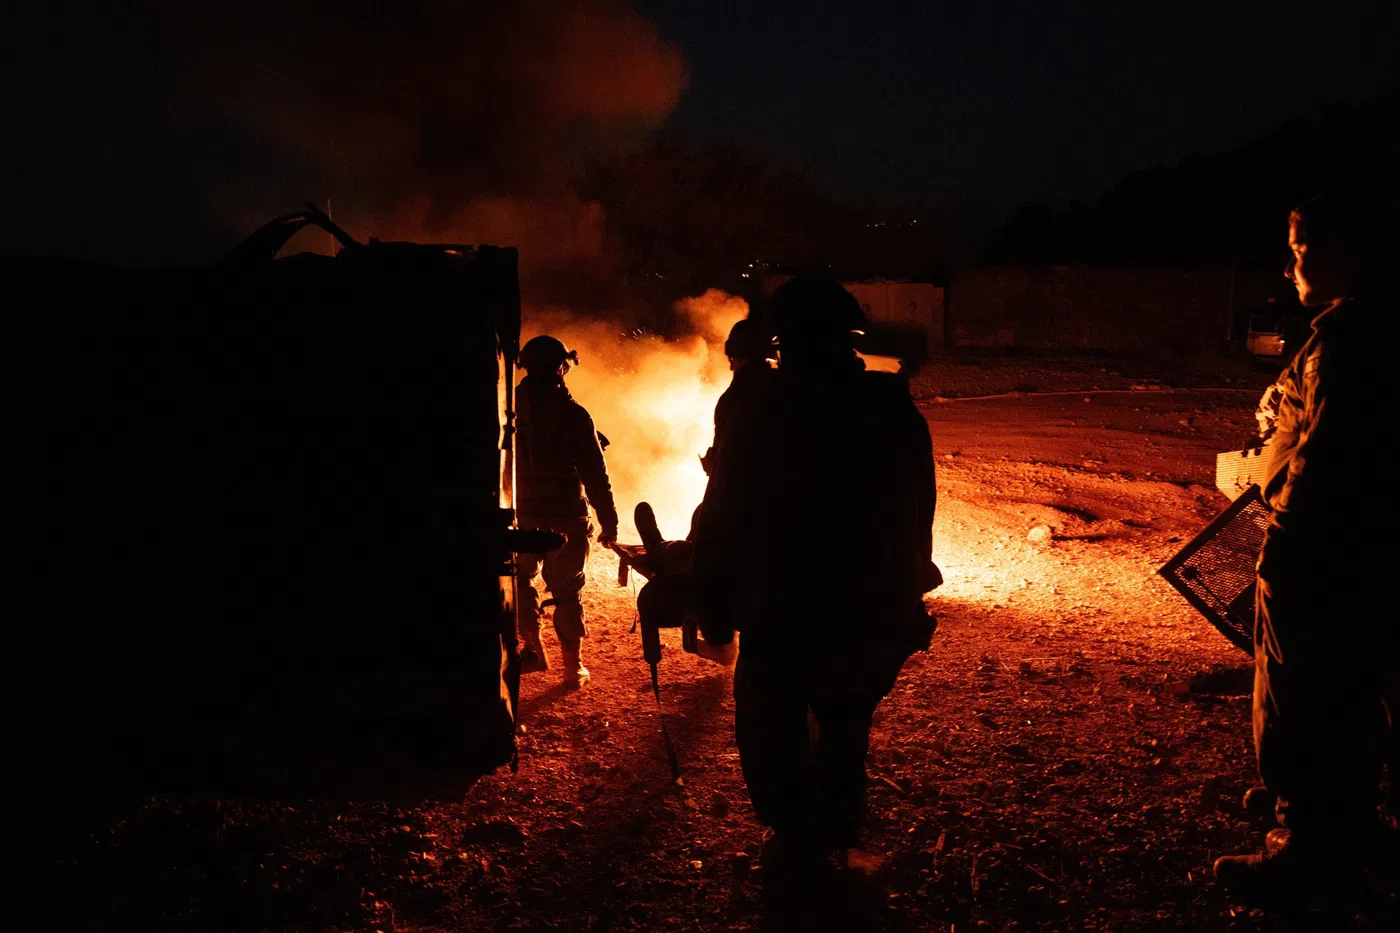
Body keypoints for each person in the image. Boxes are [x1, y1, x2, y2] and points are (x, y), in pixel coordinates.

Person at [691, 276, 940, 867]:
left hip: (780, 605)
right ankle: (836, 837)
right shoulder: (890, 405)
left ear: (780, 342)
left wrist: (714, 602)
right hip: (865, 603)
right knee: (845, 726)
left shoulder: (756, 407)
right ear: (849, 336)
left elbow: (725, 509)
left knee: (771, 729)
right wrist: (904, 594)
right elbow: (917, 509)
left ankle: (797, 846)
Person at [1213, 196, 1399, 906]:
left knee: (1309, 698)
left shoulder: (1354, 339)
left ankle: (1309, 850)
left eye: (1298, 251)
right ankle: (1340, 823)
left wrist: (1283, 548)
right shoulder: (1358, 330)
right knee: (1349, 696)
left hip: (1326, 557)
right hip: (1360, 556)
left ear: (1345, 252)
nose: (1290, 265)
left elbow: (1332, 465)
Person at [514, 335, 619, 689]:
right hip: (565, 517)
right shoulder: (574, 414)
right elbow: (595, 472)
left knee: (520, 580)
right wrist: (609, 521)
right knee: (567, 592)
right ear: (561, 367)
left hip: (521, 515)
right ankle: (572, 668)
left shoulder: (506, 408)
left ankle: (533, 647)